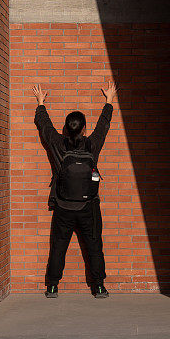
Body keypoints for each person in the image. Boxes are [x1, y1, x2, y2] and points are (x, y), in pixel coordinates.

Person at [32, 80, 117, 299]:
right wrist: (109, 101)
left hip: (63, 206)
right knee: (94, 245)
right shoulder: (92, 145)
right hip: (89, 206)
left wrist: (41, 104)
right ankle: (99, 287)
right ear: (84, 128)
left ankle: (52, 287)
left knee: (59, 246)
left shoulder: (59, 144)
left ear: (67, 128)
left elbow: (45, 128)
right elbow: (103, 127)